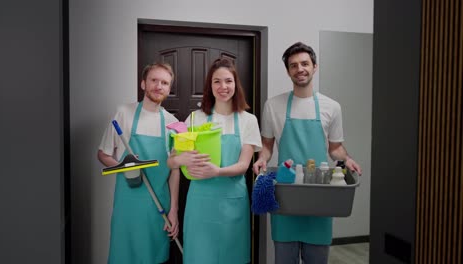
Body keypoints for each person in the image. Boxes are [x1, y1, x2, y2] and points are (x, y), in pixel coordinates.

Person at [252, 42, 362, 264]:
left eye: (304, 63)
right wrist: (261, 159)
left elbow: (335, 148)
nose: (299, 69)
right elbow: (267, 145)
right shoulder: (273, 105)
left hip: (319, 195)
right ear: (288, 71)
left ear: (315, 66)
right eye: (293, 65)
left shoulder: (332, 107)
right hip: (286, 194)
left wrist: (347, 159)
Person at [167, 58, 262, 264]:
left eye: (228, 81)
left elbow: (243, 166)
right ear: (210, 86)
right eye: (216, 81)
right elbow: (172, 162)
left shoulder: (248, 120)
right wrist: (181, 158)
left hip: (233, 206)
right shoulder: (194, 119)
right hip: (200, 206)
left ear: (236, 85)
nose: (223, 87)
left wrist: (216, 172)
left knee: (232, 257)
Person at [97, 62, 180, 264]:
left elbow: (174, 170)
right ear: (143, 84)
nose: (158, 86)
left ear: (169, 89)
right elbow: (102, 154)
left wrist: (174, 210)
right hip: (128, 205)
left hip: (157, 205)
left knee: (153, 258)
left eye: (164, 83)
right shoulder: (124, 113)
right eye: (154, 80)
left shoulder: (172, 124)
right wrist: (123, 166)